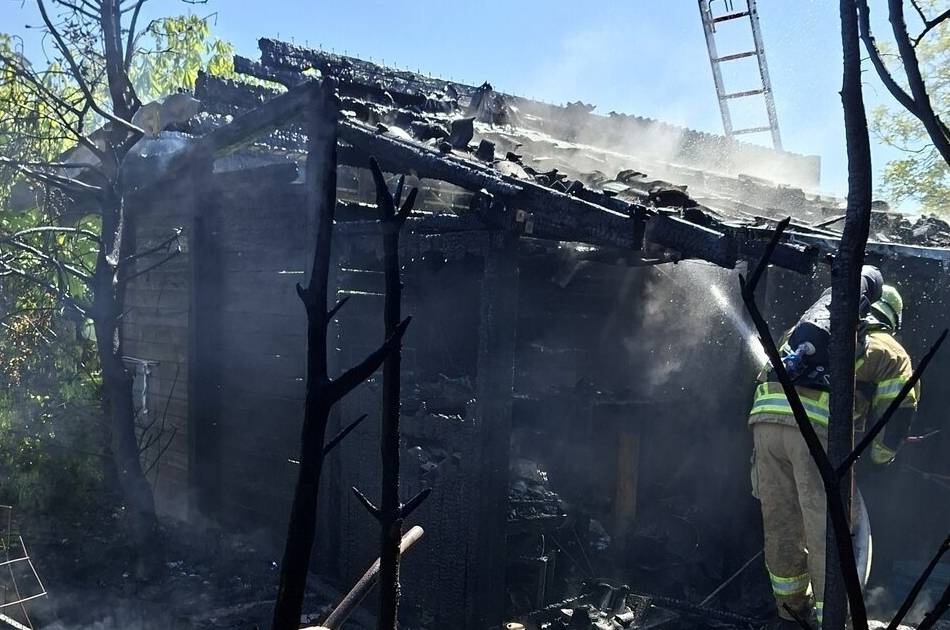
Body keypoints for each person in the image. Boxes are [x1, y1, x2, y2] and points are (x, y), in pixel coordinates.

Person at [747, 276, 918, 628]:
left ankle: (790, 614)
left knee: (781, 525)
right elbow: (900, 407)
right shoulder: (889, 349)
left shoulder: (805, 328)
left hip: (764, 424)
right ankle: (832, 621)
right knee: (826, 531)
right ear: (892, 320)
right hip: (813, 435)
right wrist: (882, 456)